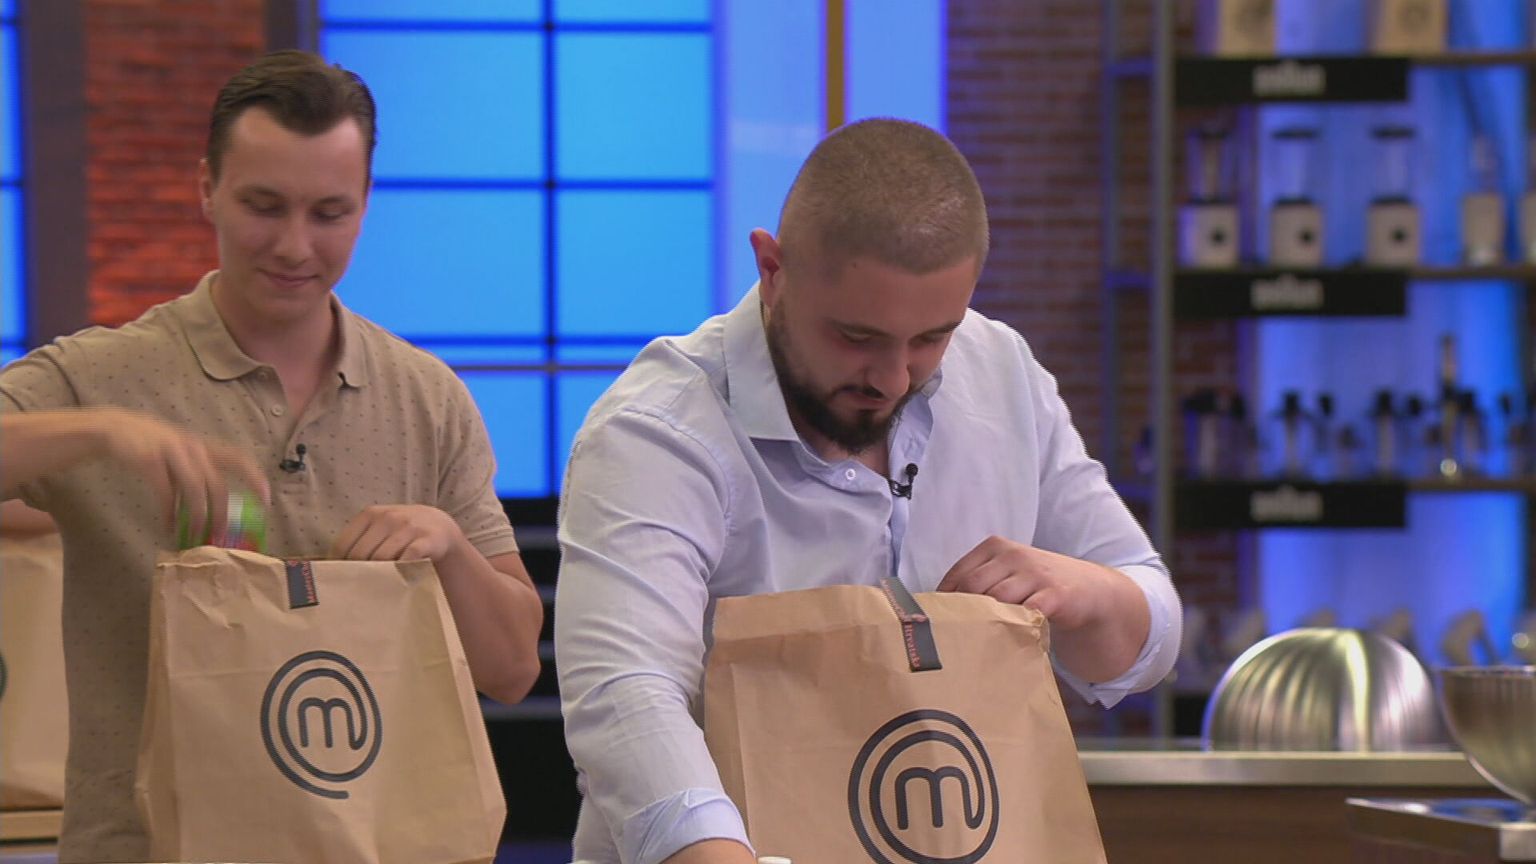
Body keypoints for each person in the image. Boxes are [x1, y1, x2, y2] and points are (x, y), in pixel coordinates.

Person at [555, 117, 1182, 864]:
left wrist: (1085, 591)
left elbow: (1150, 637)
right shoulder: (657, 433)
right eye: (857, 338)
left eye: (932, 338)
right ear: (772, 269)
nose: (892, 379)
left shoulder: (1002, 372)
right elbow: (627, 696)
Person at [0, 50, 543, 863]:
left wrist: (450, 548)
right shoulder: (99, 374)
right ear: (207, 188)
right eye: (264, 206)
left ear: (365, 205)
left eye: (329, 213)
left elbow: (511, 669)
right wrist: (98, 432)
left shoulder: (426, 397)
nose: (295, 245)